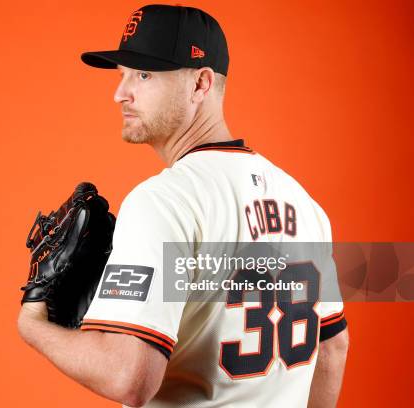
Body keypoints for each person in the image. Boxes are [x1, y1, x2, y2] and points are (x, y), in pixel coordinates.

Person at [18, 4, 348, 407]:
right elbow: (332, 348)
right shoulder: (305, 205)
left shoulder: (163, 202)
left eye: (143, 74)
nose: (120, 93)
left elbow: (129, 378)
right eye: (123, 75)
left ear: (200, 84)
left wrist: (32, 323)